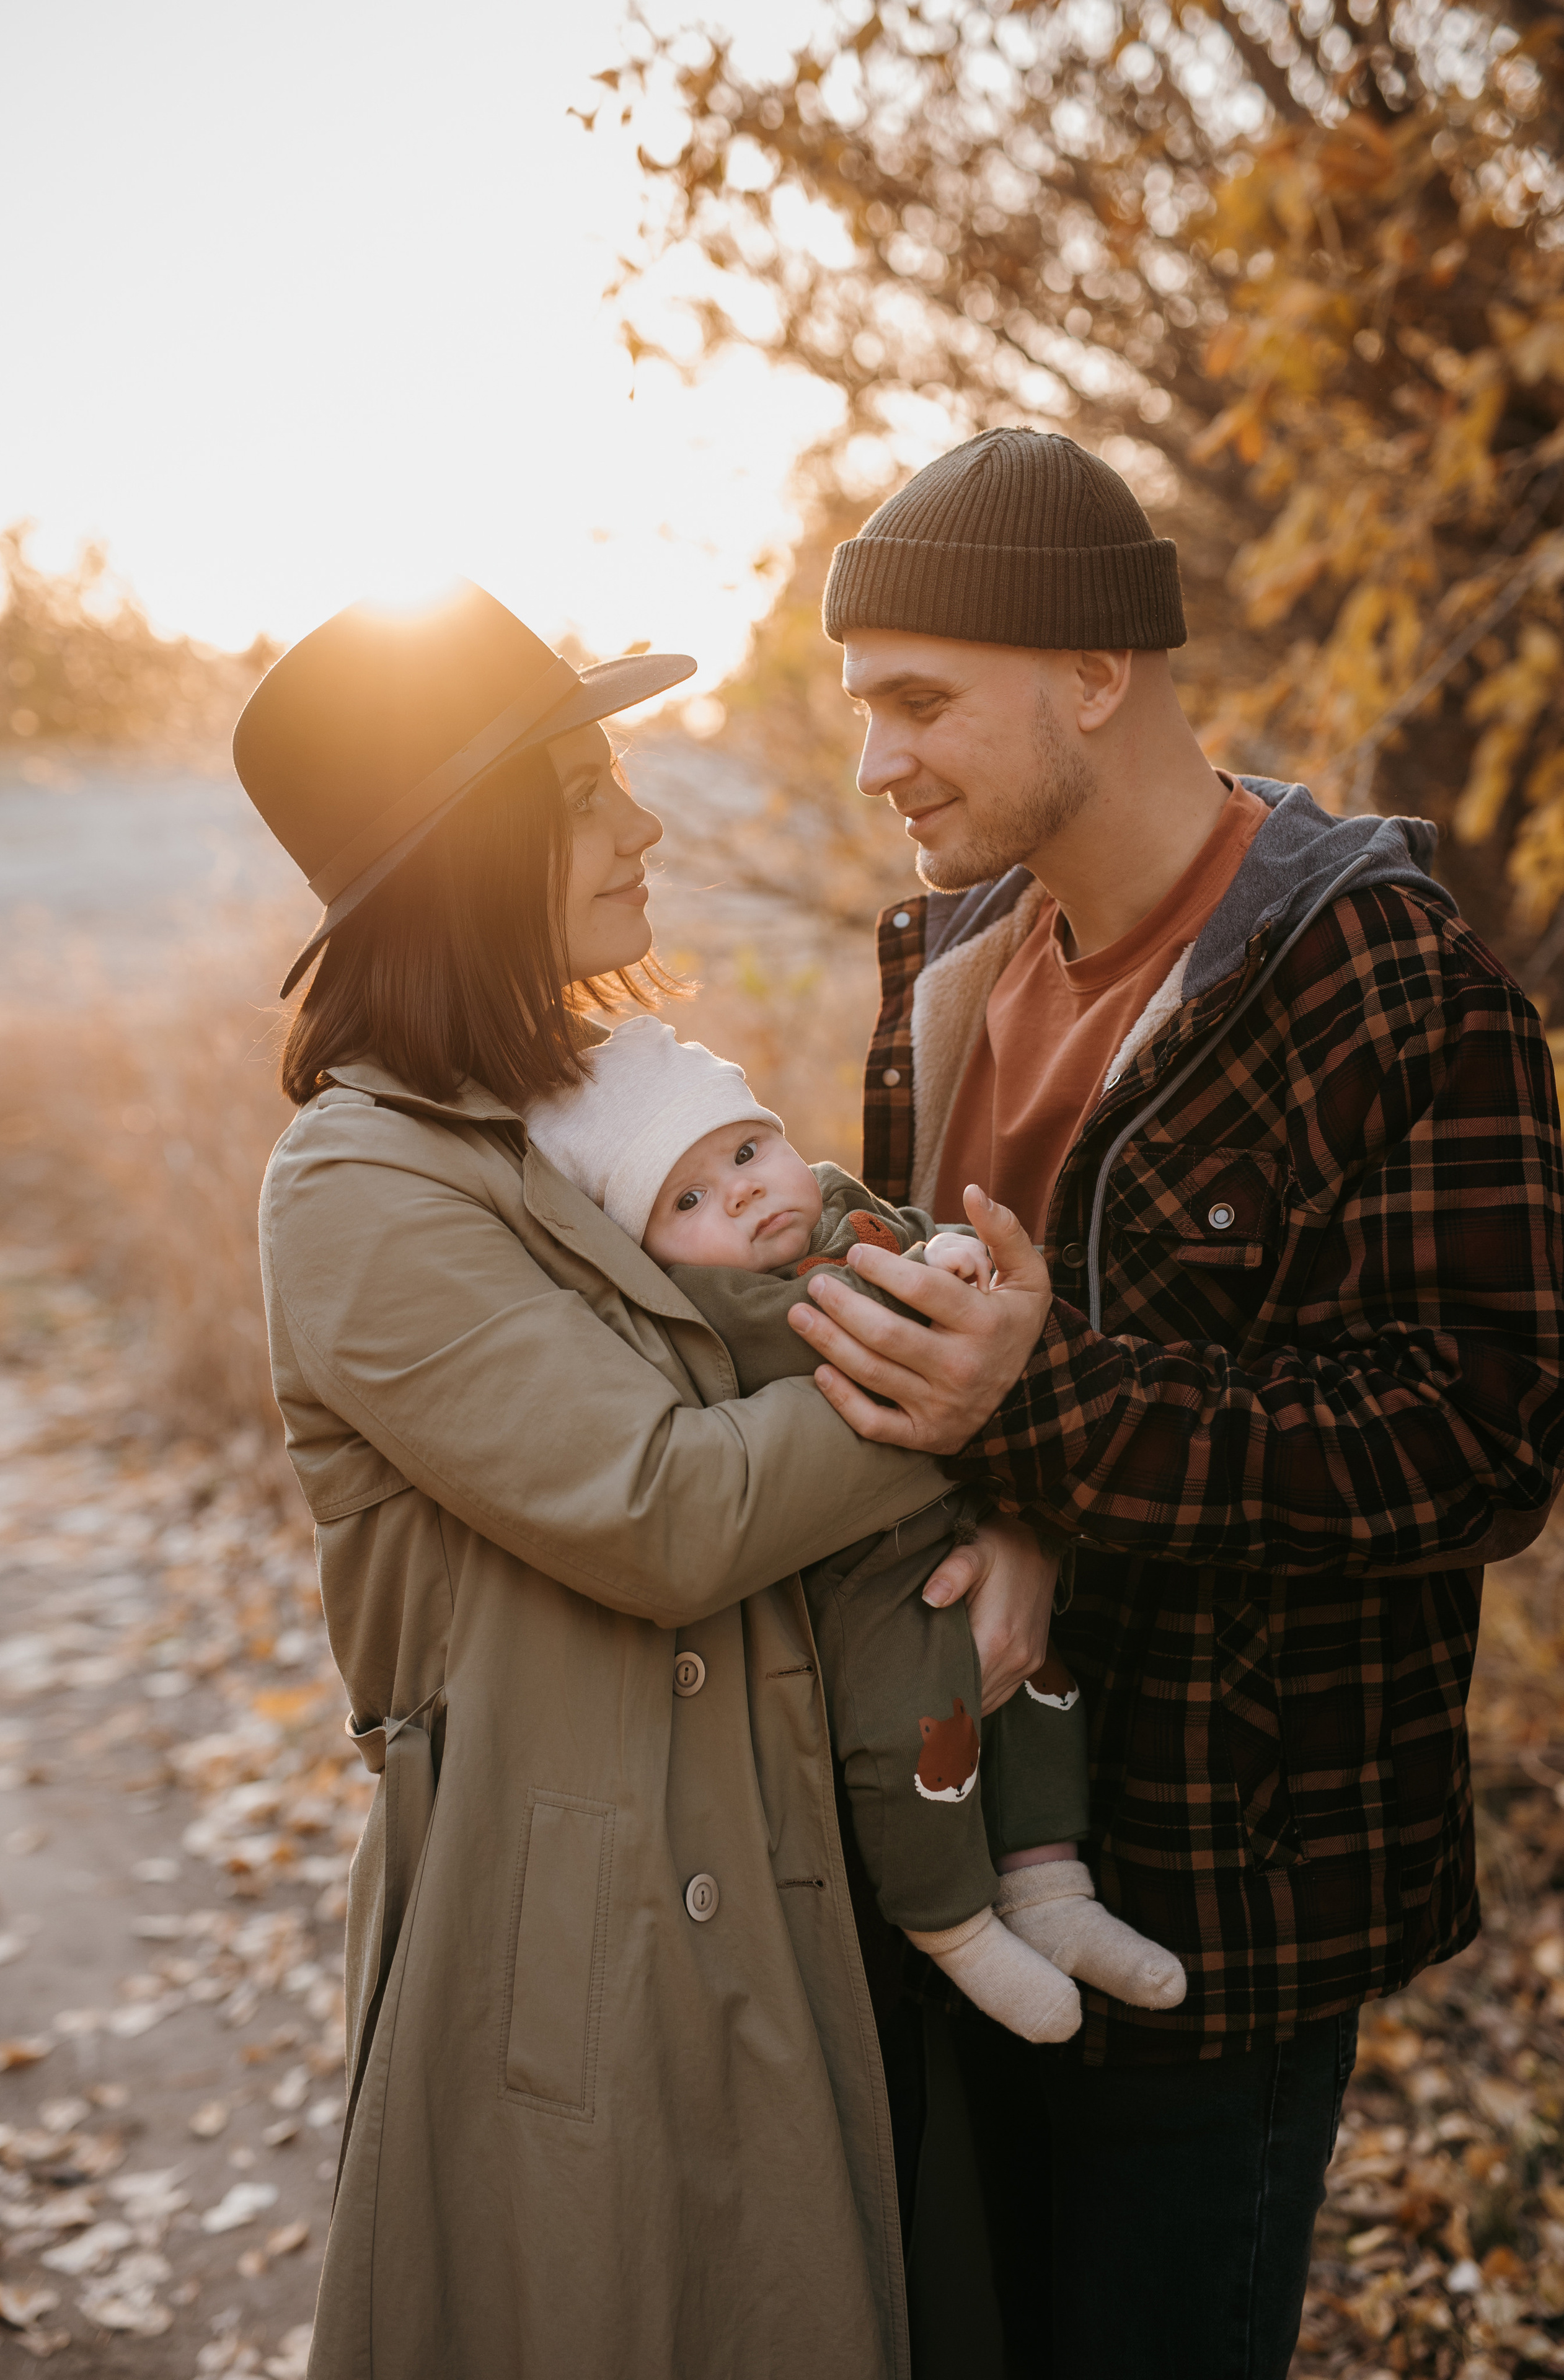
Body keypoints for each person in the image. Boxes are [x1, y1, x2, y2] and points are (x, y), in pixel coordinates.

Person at [784, 428, 1564, 2379]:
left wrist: (1047, 1409)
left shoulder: (1387, 982)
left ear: (1096, 673)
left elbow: (1483, 1446)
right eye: (861, 707)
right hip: (946, 1836)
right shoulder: (952, 963)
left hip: (1222, 1882)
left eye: (916, 701)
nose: (875, 763)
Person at [233, 580, 1057, 2380]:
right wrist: (959, 1365)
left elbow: (785, 1354)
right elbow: (667, 1511)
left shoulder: (605, 1103)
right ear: (473, 851)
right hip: (573, 1968)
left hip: (782, 1887)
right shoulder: (362, 1186)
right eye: (584, 790)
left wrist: (999, 1504)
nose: (643, 823)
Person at [520, 1011, 1186, 2042]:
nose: (741, 1191)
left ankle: (1052, 1889)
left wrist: (956, 1257)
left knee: (1046, 1688)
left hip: (964, 1518)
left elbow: (919, 1242)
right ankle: (954, 1922)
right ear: (645, 1247)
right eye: (688, 1198)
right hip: (865, 1574)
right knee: (914, 1732)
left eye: (747, 1151)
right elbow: (835, 1361)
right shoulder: (713, 1309)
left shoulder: (841, 1208)